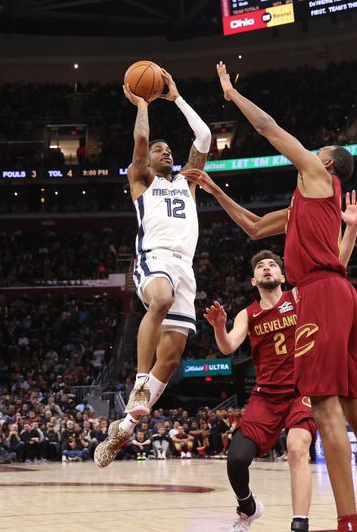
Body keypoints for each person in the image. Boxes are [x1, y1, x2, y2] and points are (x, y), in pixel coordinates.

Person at [183, 61, 357, 532]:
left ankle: (349, 522)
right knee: (353, 407)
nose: (311, 149)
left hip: (320, 294)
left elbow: (268, 128)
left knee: (326, 407)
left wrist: (231, 94)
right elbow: (252, 227)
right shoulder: (304, 203)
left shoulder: (315, 173)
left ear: (325, 161)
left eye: (317, 148)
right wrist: (213, 188)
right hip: (339, 291)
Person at [94, 68, 211, 468]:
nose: (167, 153)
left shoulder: (188, 182)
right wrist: (144, 104)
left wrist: (176, 97)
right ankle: (140, 384)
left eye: (168, 151)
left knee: (174, 356)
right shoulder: (142, 179)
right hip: (154, 258)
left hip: (186, 268)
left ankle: (124, 428)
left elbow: (204, 138)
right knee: (158, 299)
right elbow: (141, 141)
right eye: (162, 150)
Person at [204, 247, 357, 532]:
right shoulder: (247, 314)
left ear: (283, 275)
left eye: (272, 265)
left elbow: (334, 271)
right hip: (266, 395)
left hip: (303, 389)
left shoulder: (299, 296)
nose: (266, 268)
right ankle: (248, 508)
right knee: (236, 460)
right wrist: (218, 327)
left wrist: (350, 228)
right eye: (260, 266)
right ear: (253, 281)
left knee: (297, 447)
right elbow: (227, 346)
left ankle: (299, 524)